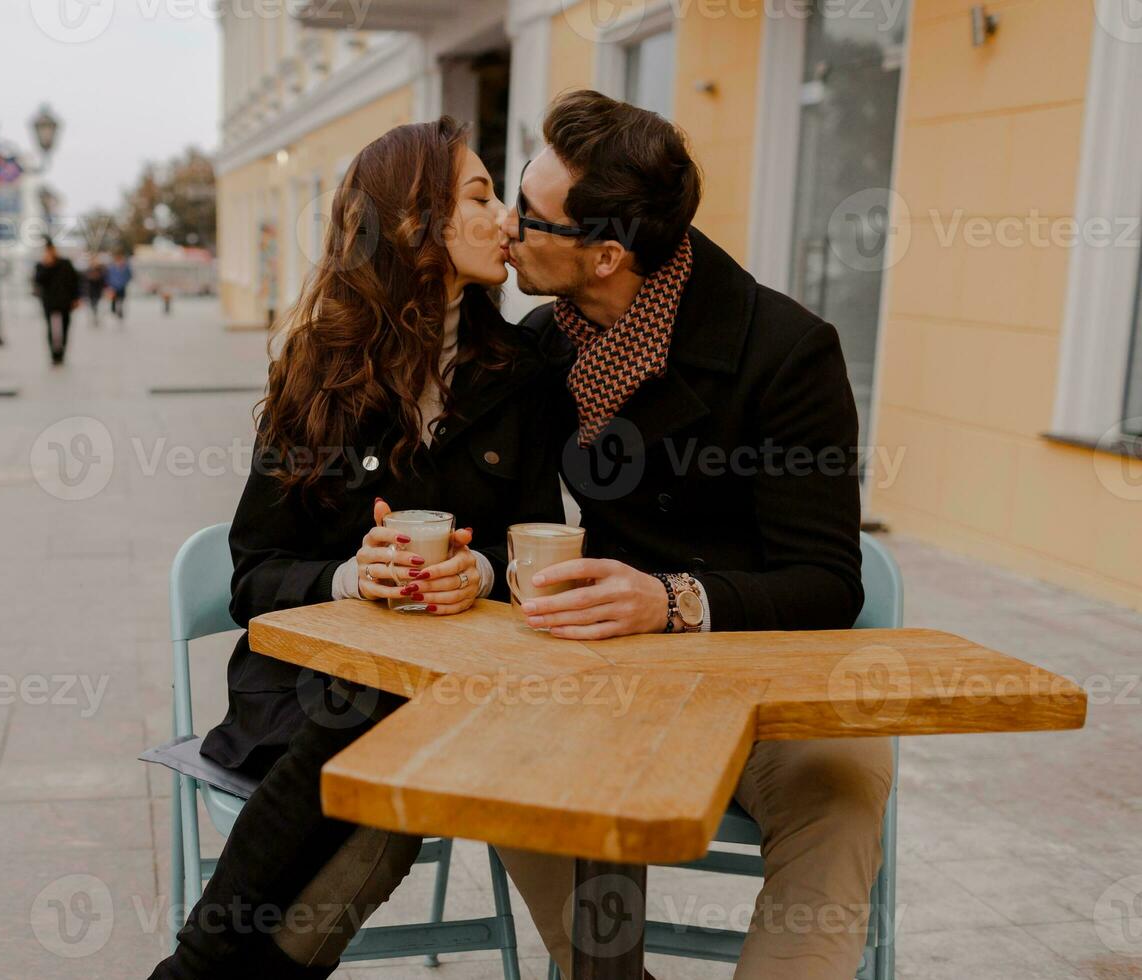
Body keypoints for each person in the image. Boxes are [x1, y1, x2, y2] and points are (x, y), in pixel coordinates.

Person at [147, 117, 566, 980]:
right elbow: (251, 576)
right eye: (482, 197)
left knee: (398, 728)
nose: (507, 220)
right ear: (415, 223)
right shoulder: (321, 368)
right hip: (306, 691)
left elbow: (528, 541)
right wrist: (349, 575)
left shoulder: (521, 370)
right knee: (380, 712)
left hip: (455, 690)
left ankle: (197, 967)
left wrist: (476, 568)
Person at [485, 89, 887, 980]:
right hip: (613, 678)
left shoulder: (786, 351)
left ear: (606, 255)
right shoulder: (544, 344)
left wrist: (670, 599)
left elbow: (828, 581)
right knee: (499, 768)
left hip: (766, 670)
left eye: (528, 216)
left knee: (841, 790)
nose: (508, 231)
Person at [32, 239, 82, 365]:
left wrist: (76, 298)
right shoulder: (41, 265)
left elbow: (74, 281)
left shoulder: (65, 263)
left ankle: (61, 352)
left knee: (65, 327)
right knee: (51, 329)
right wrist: (47, 266)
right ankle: (54, 354)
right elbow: (38, 281)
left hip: (65, 302)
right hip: (50, 303)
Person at [105, 250, 133, 321]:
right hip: (113, 286)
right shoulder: (111, 267)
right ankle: (114, 310)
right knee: (113, 300)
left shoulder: (125, 266)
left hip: (122, 286)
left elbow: (129, 276)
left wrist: (125, 282)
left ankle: (120, 311)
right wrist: (109, 285)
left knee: (121, 299)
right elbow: (107, 276)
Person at [85, 258, 107, 326]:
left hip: (98, 290)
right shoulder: (88, 270)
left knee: (97, 304)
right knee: (92, 304)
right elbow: (85, 279)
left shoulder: (101, 270)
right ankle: (94, 316)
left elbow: (104, 280)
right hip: (91, 290)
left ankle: (96, 316)